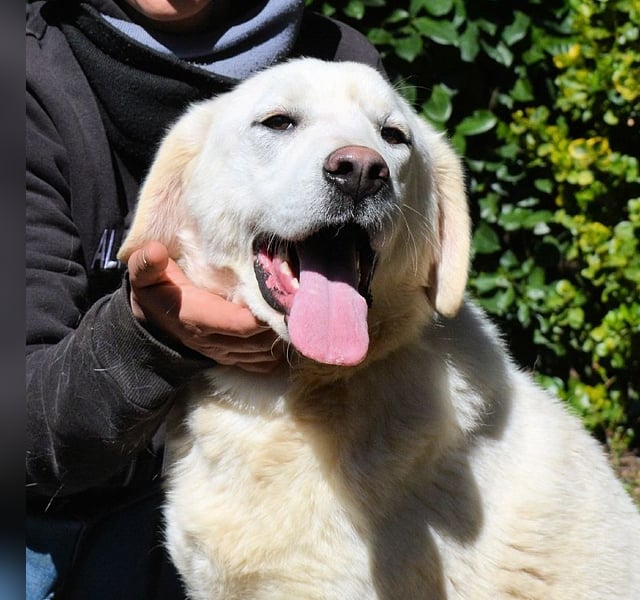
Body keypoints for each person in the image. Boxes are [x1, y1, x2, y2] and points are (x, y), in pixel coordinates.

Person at [26, 1, 384, 597]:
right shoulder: (25, 67)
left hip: (255, 513)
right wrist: (150, 335)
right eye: (279, 122)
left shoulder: (343, 67)